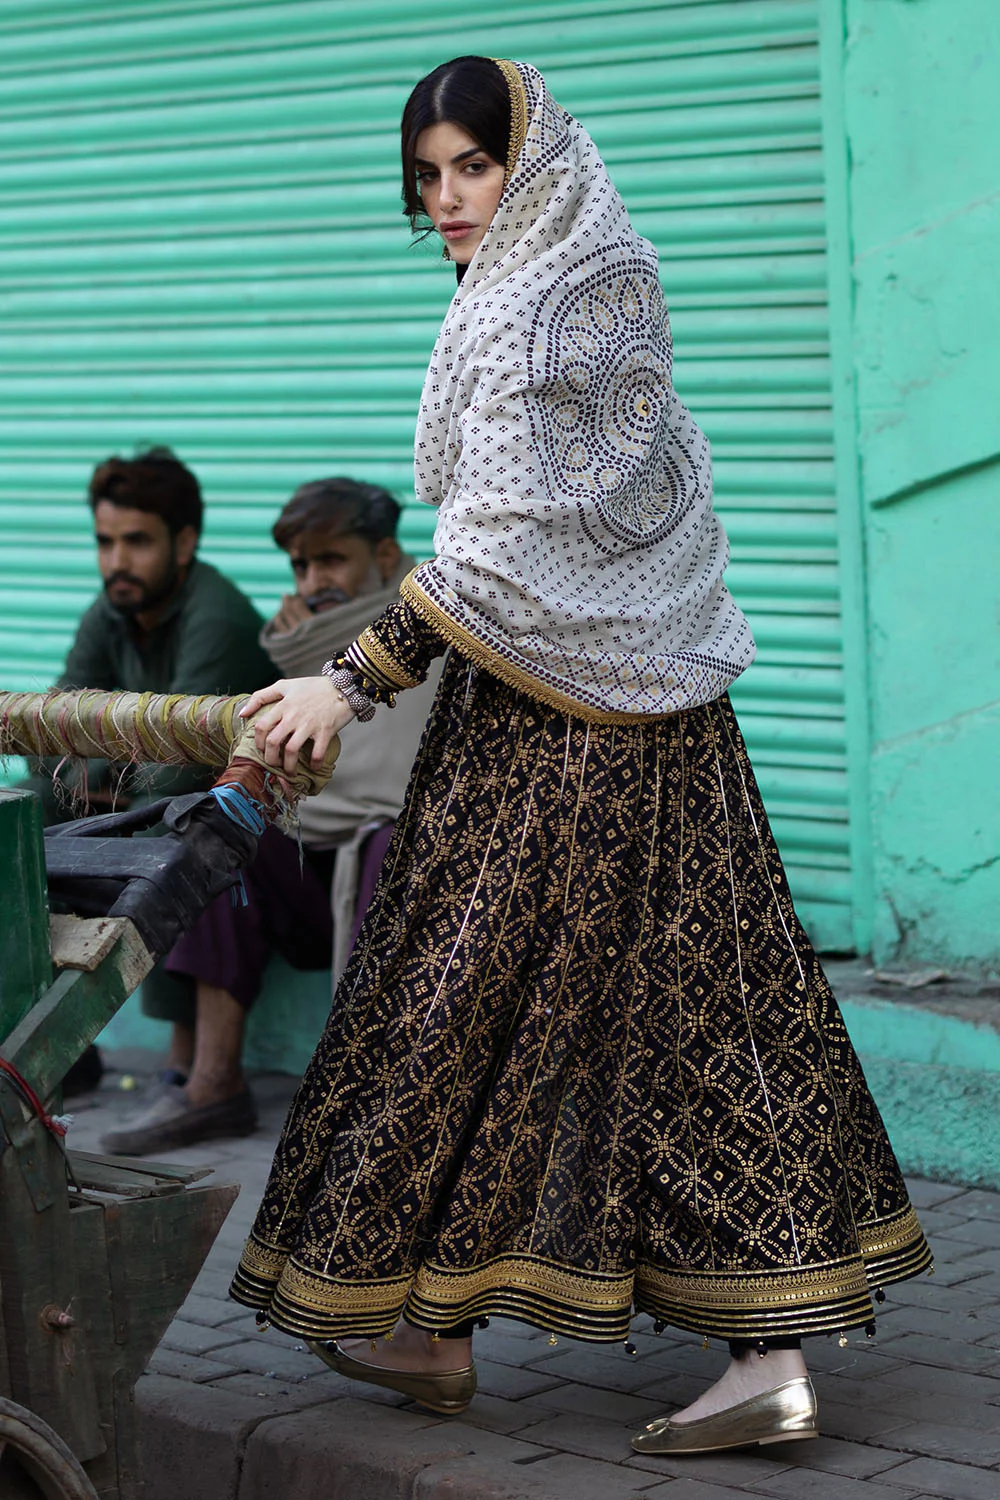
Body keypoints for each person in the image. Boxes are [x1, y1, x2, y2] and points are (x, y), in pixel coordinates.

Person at [229, 58, 931, 1455]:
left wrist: (347, 684)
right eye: (427, 176)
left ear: (532, 161)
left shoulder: (546, 308)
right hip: (588, 718)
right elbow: (545, 534)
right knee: (513, 1009)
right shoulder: (571, 282)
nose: (447, 199)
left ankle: (760, 1352)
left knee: (591, 1017)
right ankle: (440, 1326)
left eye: (473, 166)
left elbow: (505, 549)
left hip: (582, 749)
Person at [102, 477, 442, 1155]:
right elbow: (296, 767)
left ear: (384, 555)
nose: (313, 582)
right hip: (315, 872)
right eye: (300, 566)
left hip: (405, 880)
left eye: (331, 560)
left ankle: (378, 1109)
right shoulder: (302, 636)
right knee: (222, 836)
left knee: (392, 840)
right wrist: (300, 654)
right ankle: (212, 1085)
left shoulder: (432, 625)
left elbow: (397, 774)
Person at [23, 445, 275, 1094]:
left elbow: (174, 773)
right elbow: (49, 734)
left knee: (165, 829)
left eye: (136, 542)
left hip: (235, 814)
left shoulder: (215, 618)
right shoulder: (113, 609)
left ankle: (146, 1042)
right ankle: (44, 1037)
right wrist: (90, 770)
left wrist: (97, 765)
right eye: (105, 542)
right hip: (138, 792)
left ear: (183, 542)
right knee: (23, 807)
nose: (116, 561)